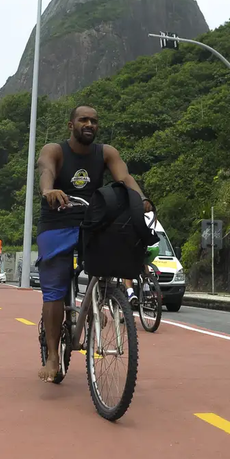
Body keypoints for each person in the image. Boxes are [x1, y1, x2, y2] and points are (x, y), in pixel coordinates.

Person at [36, 105, 151, 382]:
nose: (89, 124)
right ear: (71, 125)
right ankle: (53, 355)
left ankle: (104, 298)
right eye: (83, 120)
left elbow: (124, 178)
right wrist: (48, 191)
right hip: (57, 222)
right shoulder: (56, 150)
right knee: (54, 288)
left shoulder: (106, 152)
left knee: (111, 262)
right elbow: (45, 170)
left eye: (94, 121)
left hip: (93, 222)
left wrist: (140, 199)